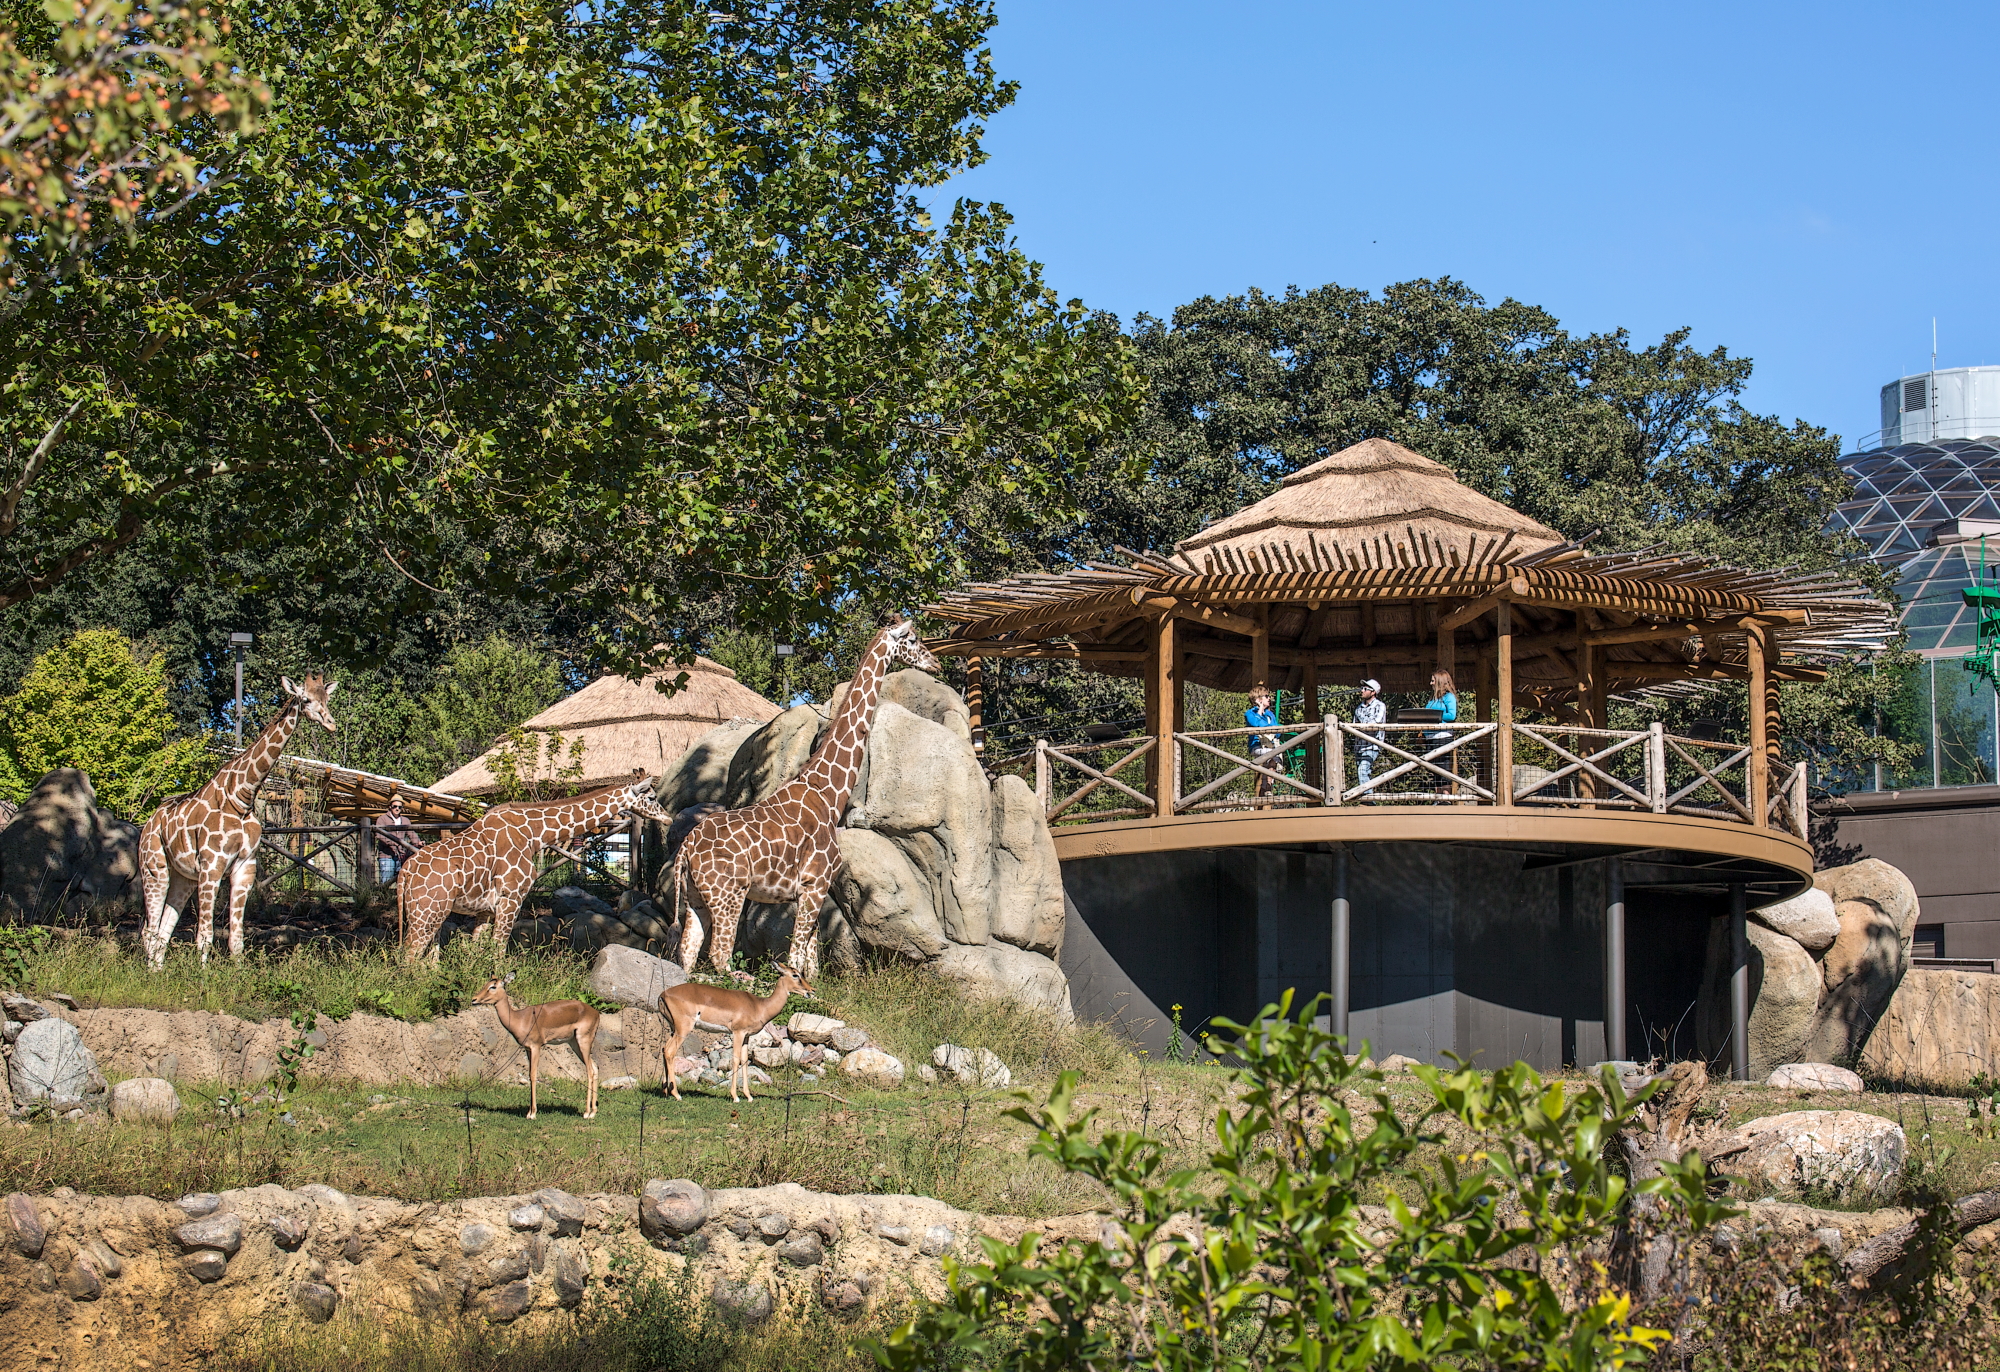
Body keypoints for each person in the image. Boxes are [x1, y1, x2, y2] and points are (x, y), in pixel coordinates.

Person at [375, 797, 420, 885]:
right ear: (390, 806)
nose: (397, 809)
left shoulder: (405, 820)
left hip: (401, 855)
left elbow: (411, 833)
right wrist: (393, 842)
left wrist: (418, 842)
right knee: (386, 881)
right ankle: (384, 898)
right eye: (395, 806)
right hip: (386, 855)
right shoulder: (382, 819)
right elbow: (379, 835)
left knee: (402, 881)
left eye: (400, 807)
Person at [1352, 679, 1386, 795]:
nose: (1362, 691)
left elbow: (1375, 723)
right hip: (1359, 746)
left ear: (1373, 692)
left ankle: (1368, 800)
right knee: (1363, 772)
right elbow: (1354, 726)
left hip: (1372, 746)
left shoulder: (1380, 706)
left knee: (1363, 771)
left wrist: (1362, 726)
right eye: (1362, 688)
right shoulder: (1358, 708)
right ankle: (1368, 797)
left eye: (1365, 689)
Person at [1246, 686, 1280, 801]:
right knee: (1273, 755)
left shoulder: (1270, 715)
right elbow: (1257, 724)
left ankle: (1266, 788)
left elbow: (1278, 730)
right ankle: (1267, 788)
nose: (1269, 698)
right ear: (1258, 699)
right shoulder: (1250, 713)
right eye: (1266, 696)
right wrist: (1260, 710)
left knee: (1273, 759)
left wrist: (1272, 728)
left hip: (1271, 746)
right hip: (1257, 746)